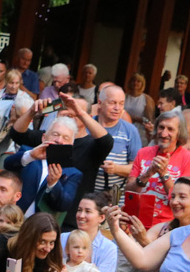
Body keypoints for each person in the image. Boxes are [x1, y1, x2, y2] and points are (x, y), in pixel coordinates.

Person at [10, 93, 114, 229]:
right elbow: (17, 134)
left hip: (70, 219)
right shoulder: (49, 138)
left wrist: (80, 113)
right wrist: (31, 112)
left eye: (76, 110)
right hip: (32, 217)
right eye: (66, 108)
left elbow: (107, 141)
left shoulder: (91, 145)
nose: (71, 113)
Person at [125, 110, 190, 228]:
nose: (164, 133)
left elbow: (185, 200)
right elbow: (128, 192)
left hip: (166, 226)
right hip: (136, 223)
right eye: (161, 127)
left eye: (170, 129)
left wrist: (164, 174)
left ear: (179, 133)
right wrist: (147, 174)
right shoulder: (143, 153)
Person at [3, 118, 84, 221]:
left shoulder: (73, 173)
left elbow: (64, 205)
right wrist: (31, 155)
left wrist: (54, 184)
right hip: (12, 218)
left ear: (71, 145)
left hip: (41, 227)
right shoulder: (28, 153)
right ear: (44, 137)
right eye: (55, 134)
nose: (59, 140)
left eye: (65, 138)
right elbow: (8, 164)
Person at [95, 85, 142, 194]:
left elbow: (137, 168)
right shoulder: (87, 125)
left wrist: (116, 168)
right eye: (112, 103)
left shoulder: (130, 130)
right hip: (86, 198)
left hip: (114, 199)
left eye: (121, 104)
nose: (117, 108)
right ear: (100, 103)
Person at [125, 73, 156, 146]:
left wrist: (135, 118)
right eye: (134, 81)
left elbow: (150, 120)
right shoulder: (124, 96)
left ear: (142, 84)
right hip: (125, 128)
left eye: (138, 81)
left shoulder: (147, 99)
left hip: (139, 131)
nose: (135, 83)